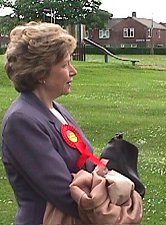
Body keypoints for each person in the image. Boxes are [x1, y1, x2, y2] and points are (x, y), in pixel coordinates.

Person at [1, 21, 96, 225]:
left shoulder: (56, 109)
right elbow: (65, 193)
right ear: (40, 73)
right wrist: (112, 200)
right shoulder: (22, 121)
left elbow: (88, 161)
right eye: (64, 65)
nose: (73, 71)